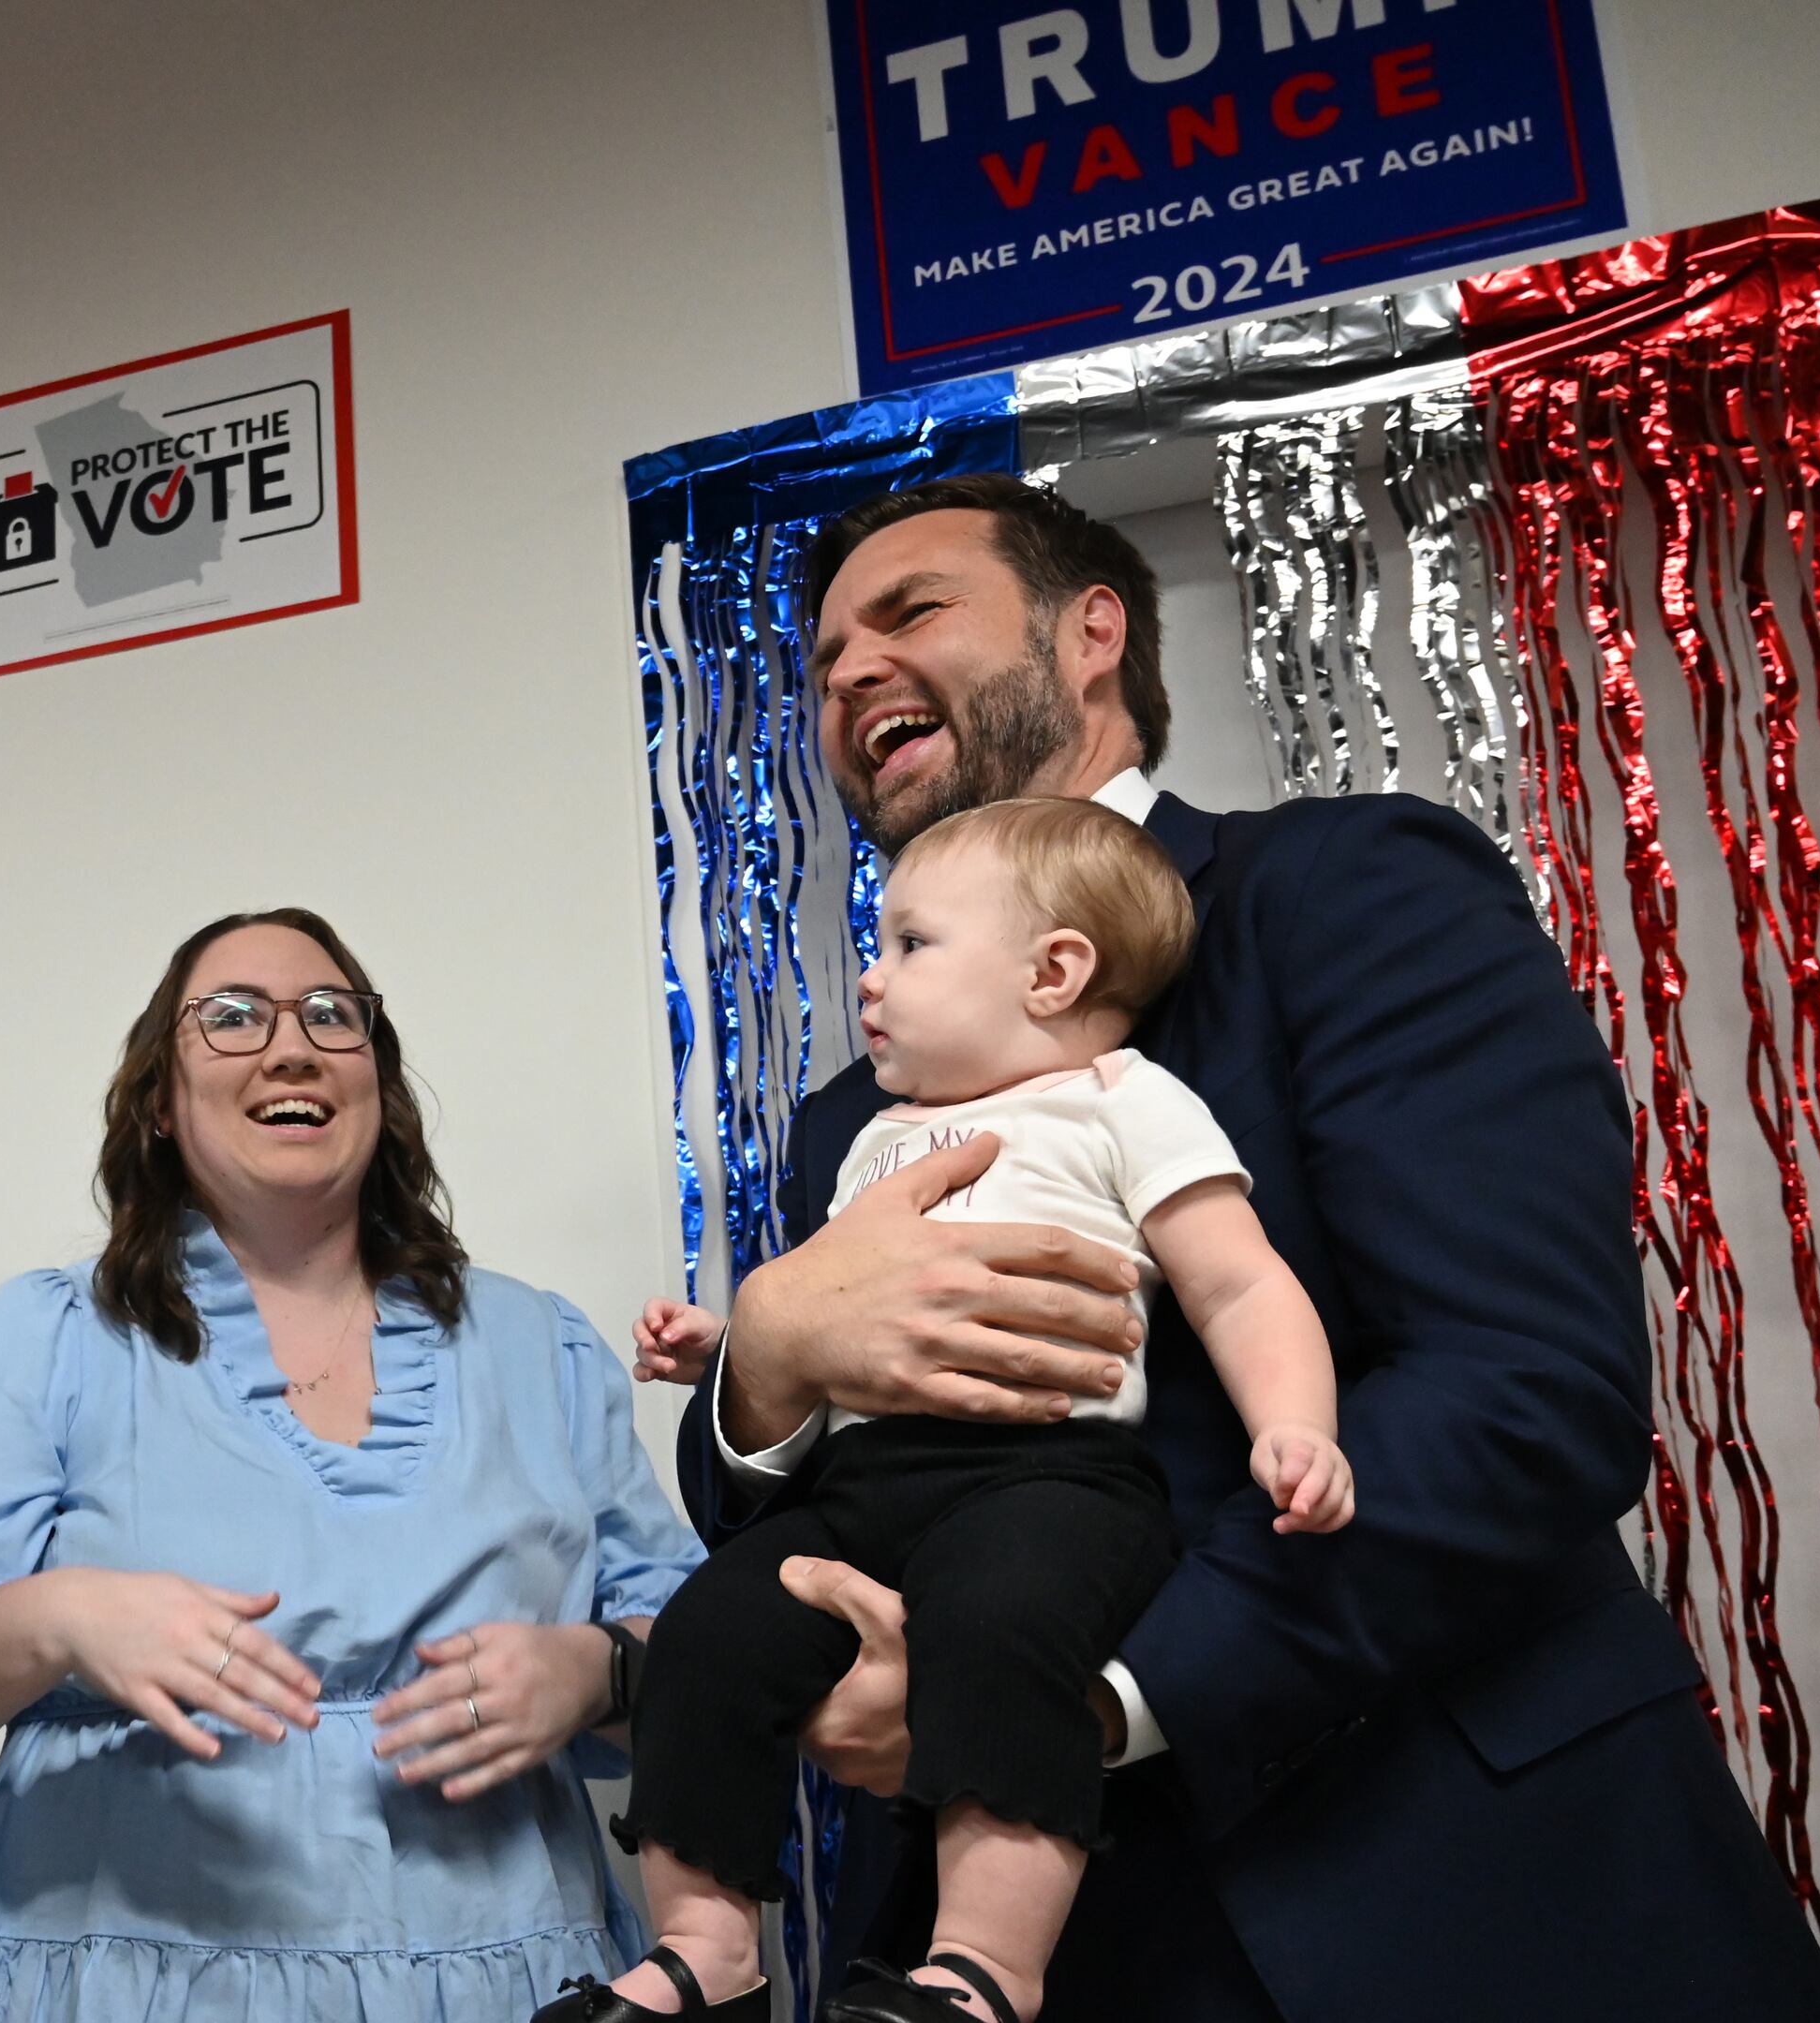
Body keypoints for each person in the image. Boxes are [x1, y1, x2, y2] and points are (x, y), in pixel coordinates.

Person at [669, 474, 1820, 2022]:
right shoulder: (856, 1114)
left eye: (911, 612)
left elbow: (1524, 1393)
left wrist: (1076, 1707)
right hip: (1065, 1962)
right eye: (822, 664)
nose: (848, 678)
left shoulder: (1348, 889)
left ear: (1092, 633)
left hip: (1478, 1888)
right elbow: (815, 1497)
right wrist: (766, 1361)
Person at [0, 907, 705, 2022]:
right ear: (160, 1105)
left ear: (380, 1082)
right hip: (121, 1985)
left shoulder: (543, 1349)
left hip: (510, 1983)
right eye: (230, 1018)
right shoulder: (51, 1339)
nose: (291, 1044)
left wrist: (601, 1669)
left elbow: (716, 1673)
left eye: (332, 1014)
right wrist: (56, 1617)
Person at [573, 798, 1348, 2023]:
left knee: (1002, 1631)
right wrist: (738, 1343)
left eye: (910, 947)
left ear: (1055, 972)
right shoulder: (877, 1138)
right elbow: (837, 1324)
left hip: (1046, 1476)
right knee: (707, 1629)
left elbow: (1241, 1279)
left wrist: (1293, 1423)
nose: (870, 980)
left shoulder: (1118, 1099)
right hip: (861, 1490)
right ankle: (704, 1954)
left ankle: (985, 1969)